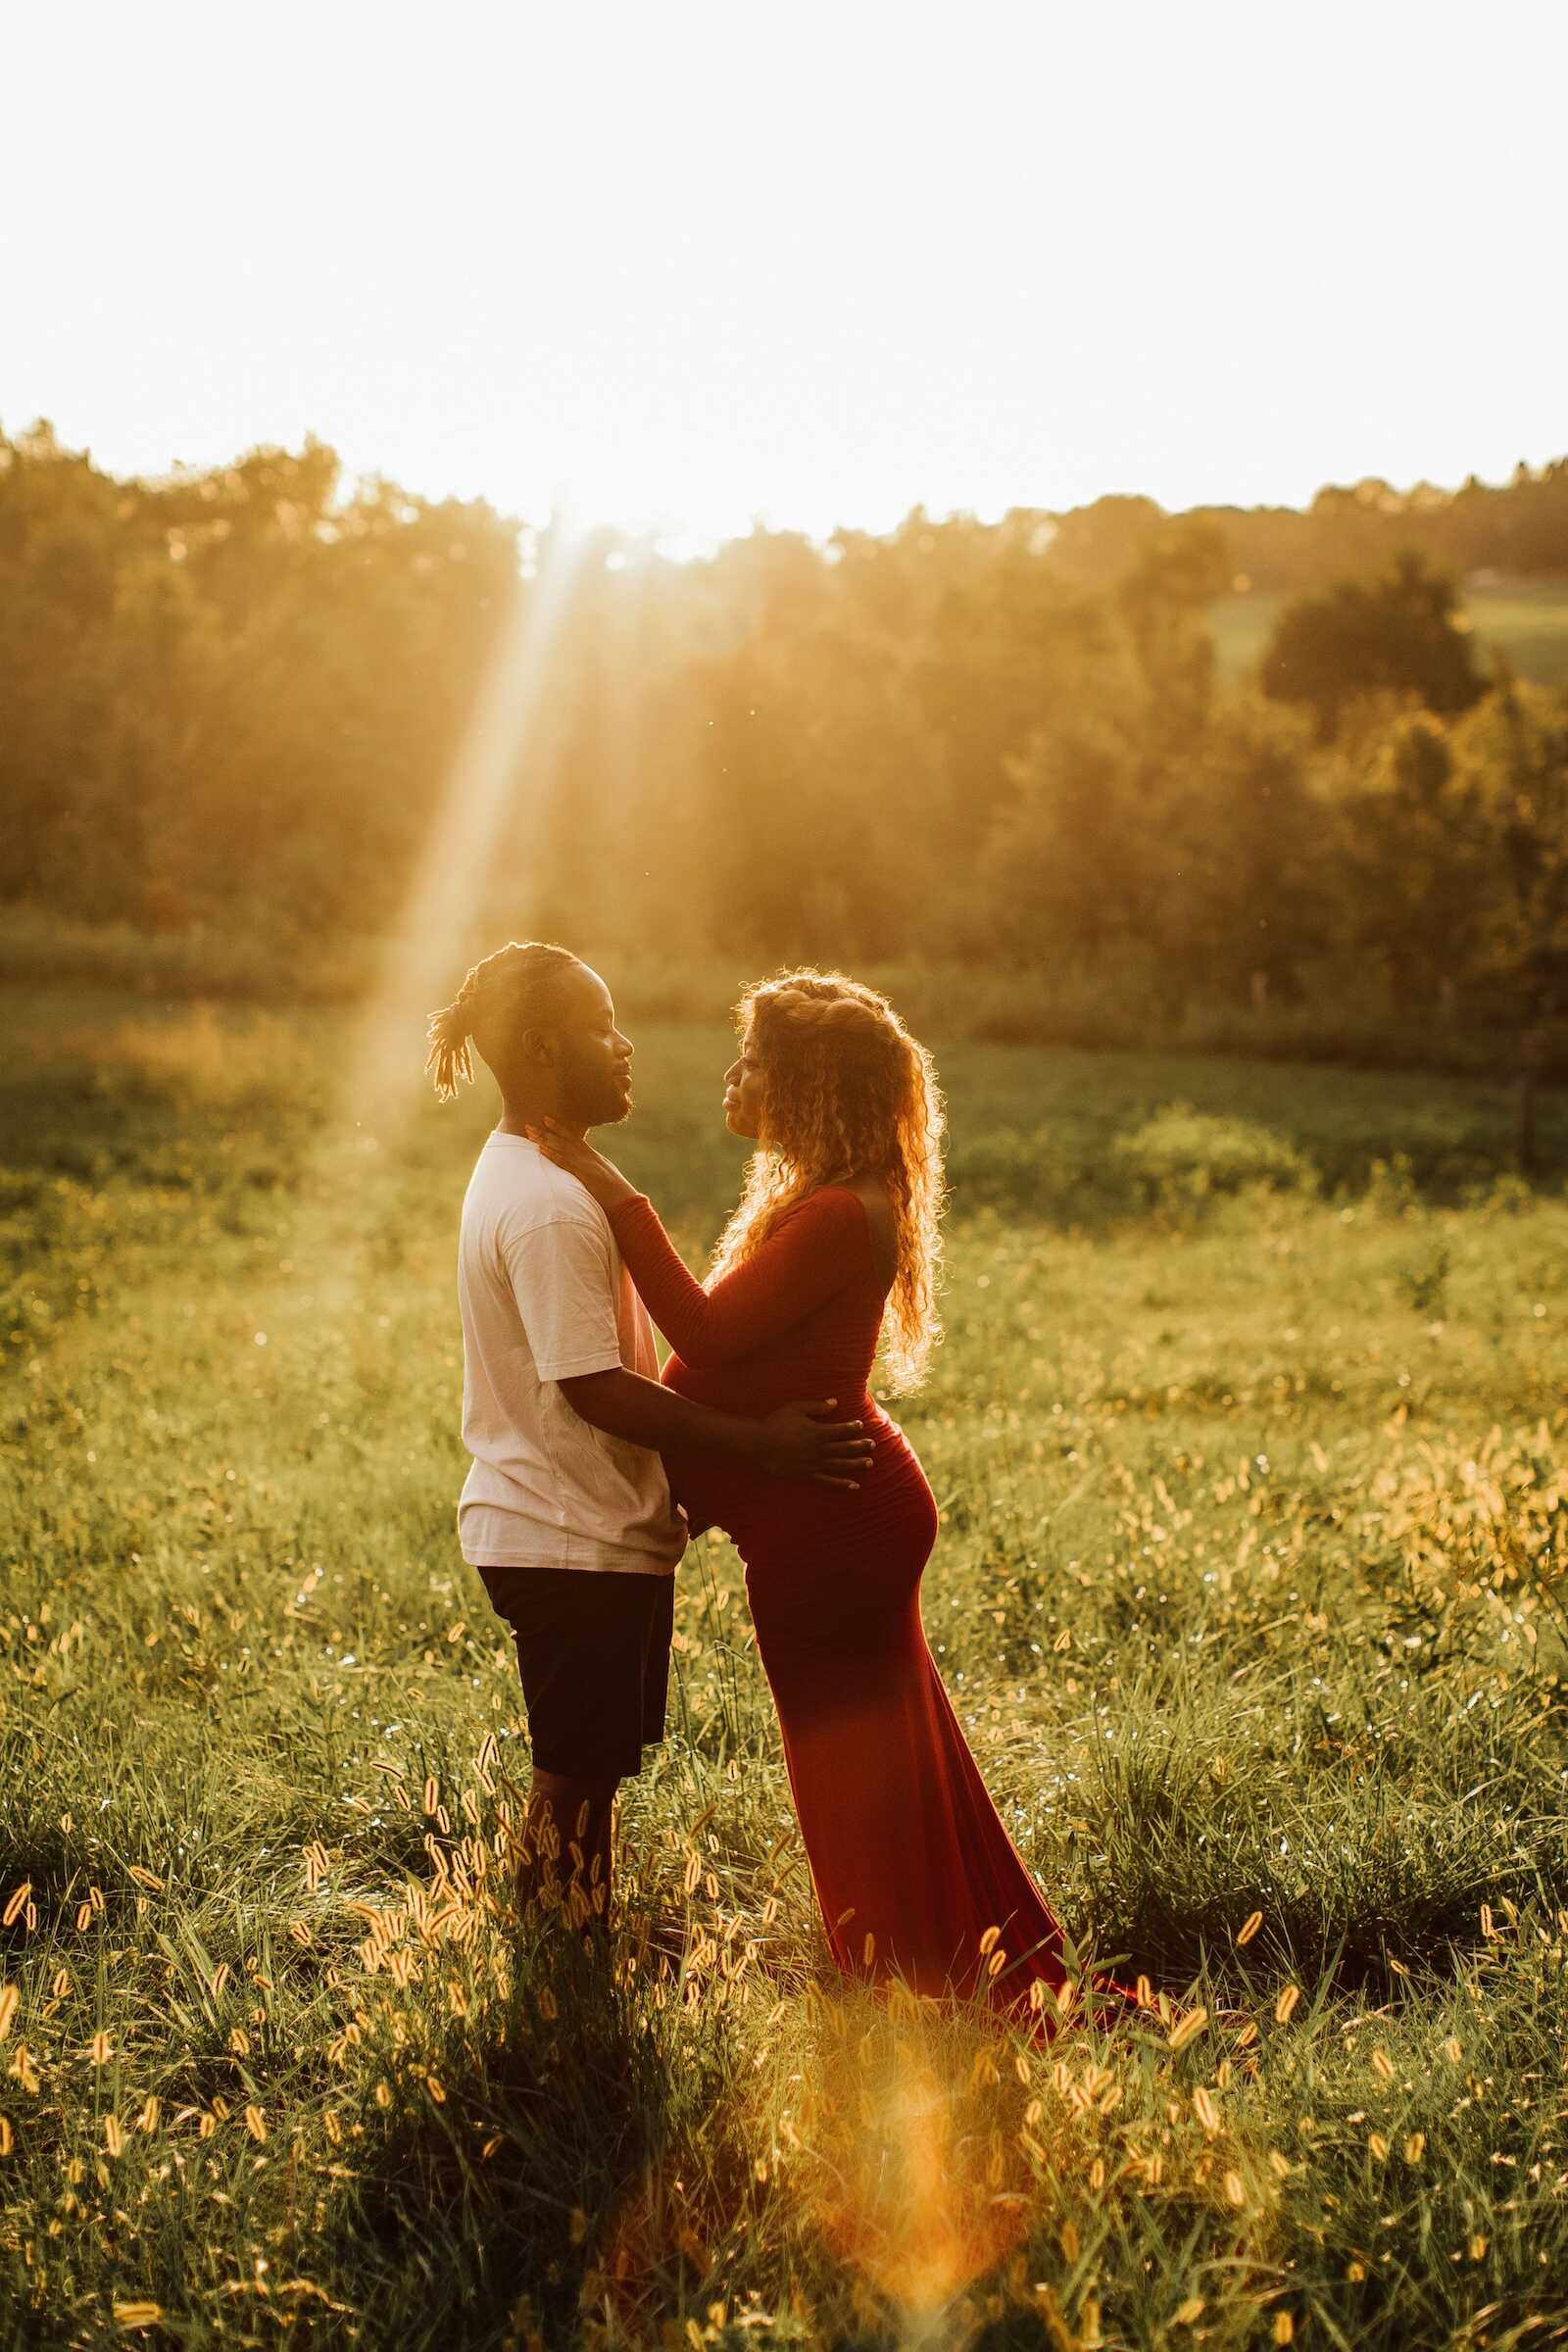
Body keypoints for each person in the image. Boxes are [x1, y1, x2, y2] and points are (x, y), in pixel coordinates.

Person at [529, 968, 1140, 2028]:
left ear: (808, 1084)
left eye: (755, 1062)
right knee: (888, 1755)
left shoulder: (834, 1214)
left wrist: (613, 1194)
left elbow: (709, 1340)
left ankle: (905, 1982)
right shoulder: (831, 1199)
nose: (734, 1076)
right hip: (829, 1510)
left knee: (848, 1767)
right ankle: (936, 1962)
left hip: (832, 1525)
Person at [425, 943, 874, 1931]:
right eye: (600, 1026)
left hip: (592, 1534)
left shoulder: (545, 1177)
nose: (625, 1046)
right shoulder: (545, 1204)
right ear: (544, 1049)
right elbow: (594, 1388)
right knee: (571, 1786)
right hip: (565, 1537)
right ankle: (555, 1985)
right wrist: (761, 1448)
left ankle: (575, 1973)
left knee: (588, 1784)